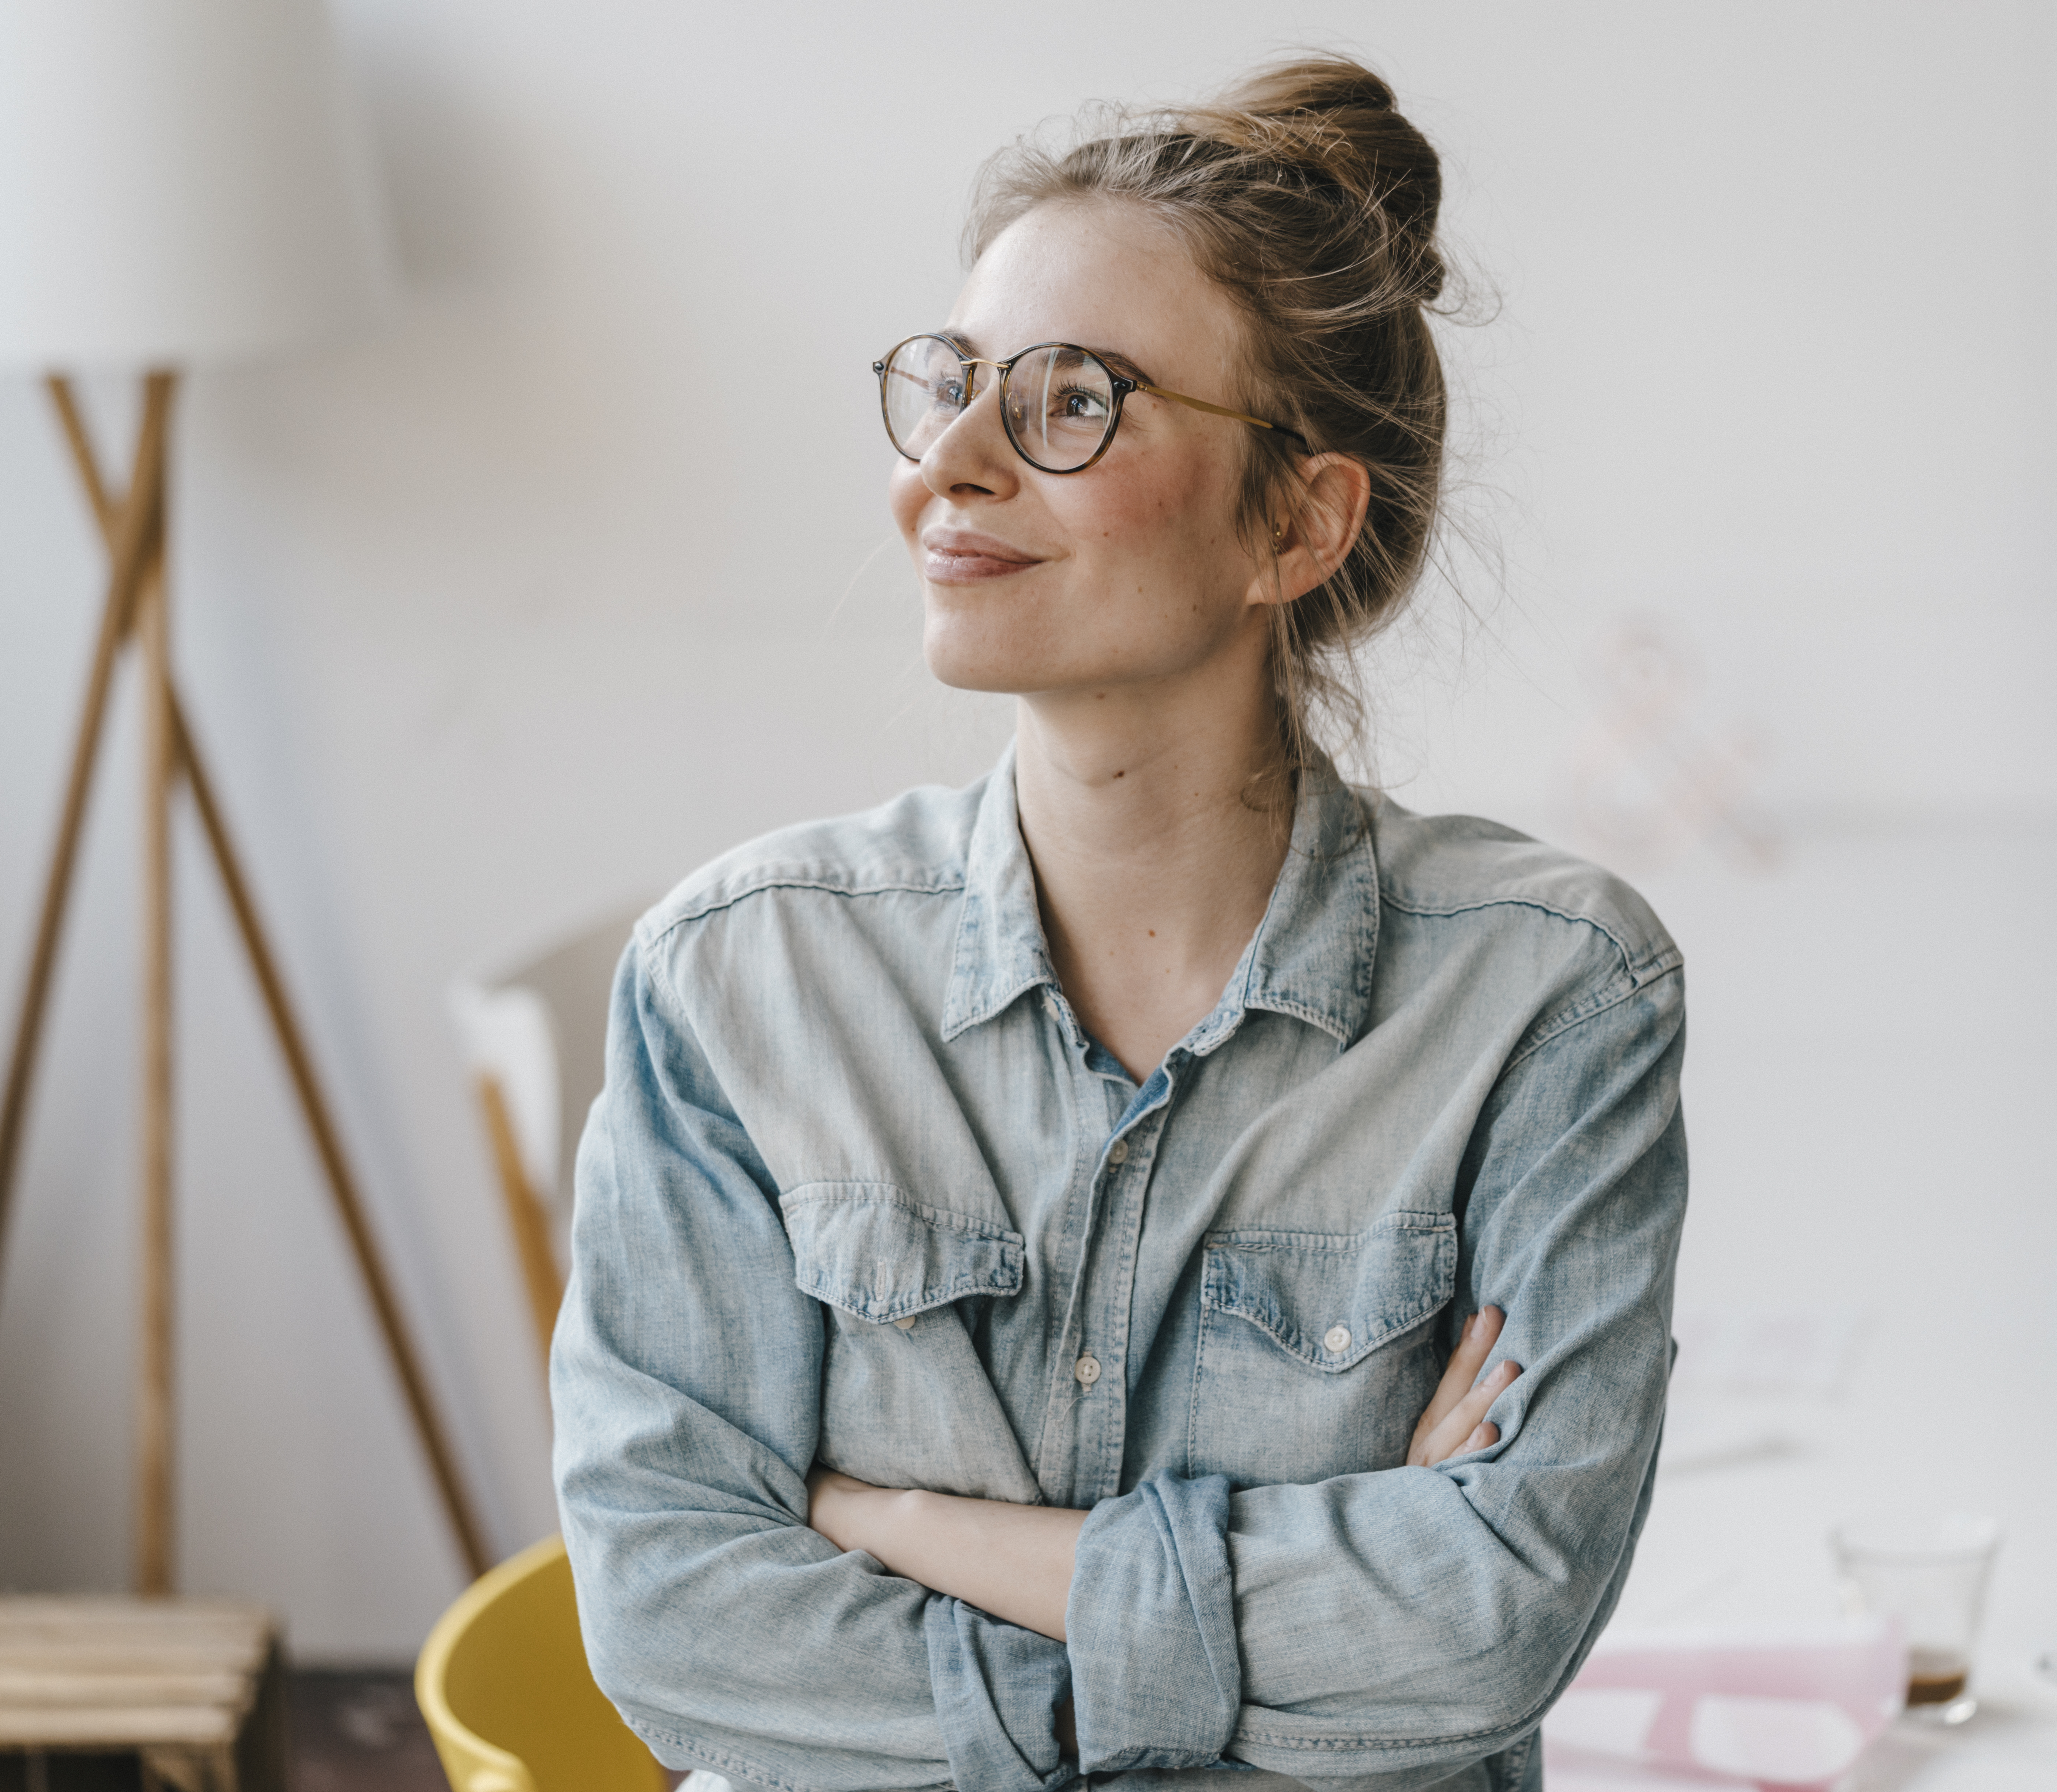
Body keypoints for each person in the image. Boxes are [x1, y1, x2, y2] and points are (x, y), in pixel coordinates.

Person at [552, 56, 1687, 1792]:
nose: (951, 462)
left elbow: (1489, 1633)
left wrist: (891, 1519)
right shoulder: (738, 976)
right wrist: (1316, 1591)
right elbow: (674, 1626)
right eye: (950, 383)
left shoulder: (1552, 994)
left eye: (1071, 400)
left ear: (1296, 522)